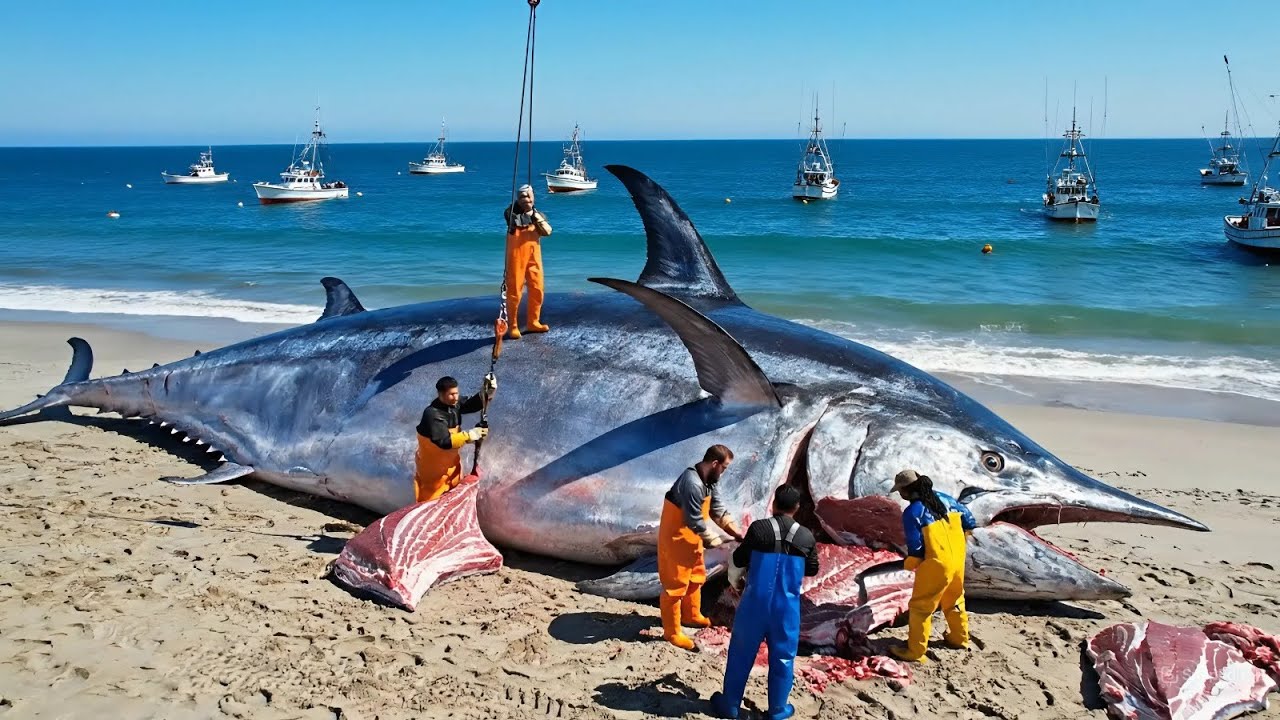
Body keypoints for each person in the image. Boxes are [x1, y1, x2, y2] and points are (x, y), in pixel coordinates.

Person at [710, 485, 818, 720]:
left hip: (754, 604)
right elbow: (812, 568)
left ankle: (730, 705)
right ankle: (778, 710)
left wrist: (736, 580)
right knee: (783, 657)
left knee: (740, 653)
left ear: (774, 504)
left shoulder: (759, 528)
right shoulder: (806, 536)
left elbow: (738, 558)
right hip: (786, 609)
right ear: (797, 508)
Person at [657, 444, 744, 651]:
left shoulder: (710, 482)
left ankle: (691, 615)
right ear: (714, 464)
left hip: (693, 539)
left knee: (697, 576)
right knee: (675, 586)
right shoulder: (691, 483)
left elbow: (717, 509)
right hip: (676, 538)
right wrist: (717, 541)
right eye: (724, 468)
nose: (723, 473)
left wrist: (737, 533)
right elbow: (693, 520)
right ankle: (672, 632)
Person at [889, 469, 976, 663]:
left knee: (921, 607)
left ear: (905, 491)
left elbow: (916, 546)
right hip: (957, 561)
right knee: (955, 599)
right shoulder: (946, 499)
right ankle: (959, 638)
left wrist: (911, 563)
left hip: (936, 563)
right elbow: (970, 521)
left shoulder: (912, 512)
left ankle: (915, 651)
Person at [412, 375, 496, 502]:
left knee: (452, 498)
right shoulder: (432, 414)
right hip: (433, 471)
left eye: (456, 393)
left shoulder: (454, 404)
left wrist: (487, 393)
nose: (456, 397)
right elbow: (444, 442)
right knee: (430, 503)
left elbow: (470, 405)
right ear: (441, 394)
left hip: (451, 466)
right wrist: (470, 435)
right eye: (451, 394)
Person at [503, 184, 553, 340]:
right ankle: (513, 326)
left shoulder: (539, 215)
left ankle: (533, 321)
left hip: (534, 256)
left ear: (533, 197)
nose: (525, 199)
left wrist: (535, 215)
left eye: (528, 196)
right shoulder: (510, 213)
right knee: (514, 291)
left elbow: (547, 231)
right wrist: (525, 210)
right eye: (522, 196)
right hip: (516, 256)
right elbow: (512, 218)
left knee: (537, 288)